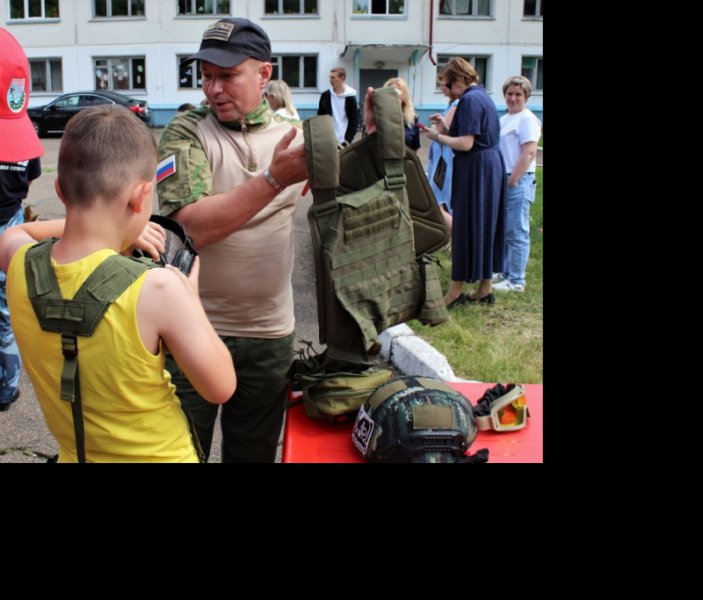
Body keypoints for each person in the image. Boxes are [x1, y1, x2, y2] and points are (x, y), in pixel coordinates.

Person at [0, 105, 236, 462]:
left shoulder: (18, 263)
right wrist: (193, 301)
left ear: (61, 190)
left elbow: (17, 232)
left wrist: (95, 224)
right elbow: (221, 387)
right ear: (141, 197)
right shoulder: (160, 289)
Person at [156, 18, 308, 463]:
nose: (213, 89)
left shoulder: (294, 138)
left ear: (264, 74)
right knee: (181, 452)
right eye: (206, 76)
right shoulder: (186, 132)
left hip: (269, 335)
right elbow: (192, 228)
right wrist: (275, 179)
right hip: (192, 329)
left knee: (253, 455)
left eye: (226, 75)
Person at [421, 56, 505, 306]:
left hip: (477, 169)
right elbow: (470, 137)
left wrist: (437, 136)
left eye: (446, 85)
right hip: (488, 166)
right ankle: (485, 288)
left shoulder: (469, 100)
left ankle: (455, 293)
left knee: (466, 227)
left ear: (458, 79)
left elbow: (466, 144)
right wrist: (444, 128)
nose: (446, 90)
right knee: (485, 225)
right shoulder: (481, 95)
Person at [0, 27, 45, 412]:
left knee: (5, 307)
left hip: (10, 223)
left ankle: (6, 386)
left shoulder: (20, 128)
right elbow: (29, 178)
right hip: (11, 219)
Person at [494, 75, 541, 293]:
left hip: (517, 179)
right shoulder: (505, 119)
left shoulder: (527, 119)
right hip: (503, 179)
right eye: (510, 94)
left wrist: (513, 179)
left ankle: (517, 280)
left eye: (518, 94)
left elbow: (529, 152)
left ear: (526, 96)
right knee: (505, 229)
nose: (513, 98)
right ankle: (505, 271)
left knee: (517, 230)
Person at [426, 82, 459, 229]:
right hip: (442, 159)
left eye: (444, 84)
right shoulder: (452, 105)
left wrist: (434, 130)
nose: (441, 88)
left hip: (444, 161)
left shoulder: (456, 104)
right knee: (440, 202)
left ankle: (459, 237)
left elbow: (438, 132)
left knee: (437, 202)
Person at [318, 67, 358, 145]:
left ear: (342, 78)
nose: (330, 80)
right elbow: (320, 118)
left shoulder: (350, 97)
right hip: (328, 140)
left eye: (333, 78)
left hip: (344, 141)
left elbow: (354, 121)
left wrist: (348, 139)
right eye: (330, 77)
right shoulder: (325, 95)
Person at [383, 77, 420, 151]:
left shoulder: (412, 120)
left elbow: (415, 149)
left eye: (397, 93)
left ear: (404, 96)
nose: (393, 96)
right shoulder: (378, 118)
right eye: (390, 92)